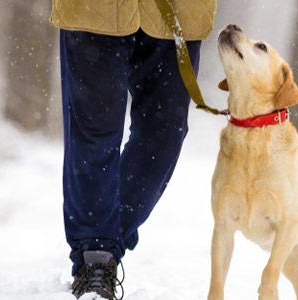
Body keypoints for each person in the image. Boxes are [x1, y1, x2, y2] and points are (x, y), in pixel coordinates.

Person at [49, 0, 216, 298]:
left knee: (164, 135)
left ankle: (105, 236)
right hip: (94, 12)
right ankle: (96, 254)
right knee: (94, 133)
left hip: (180, 11)